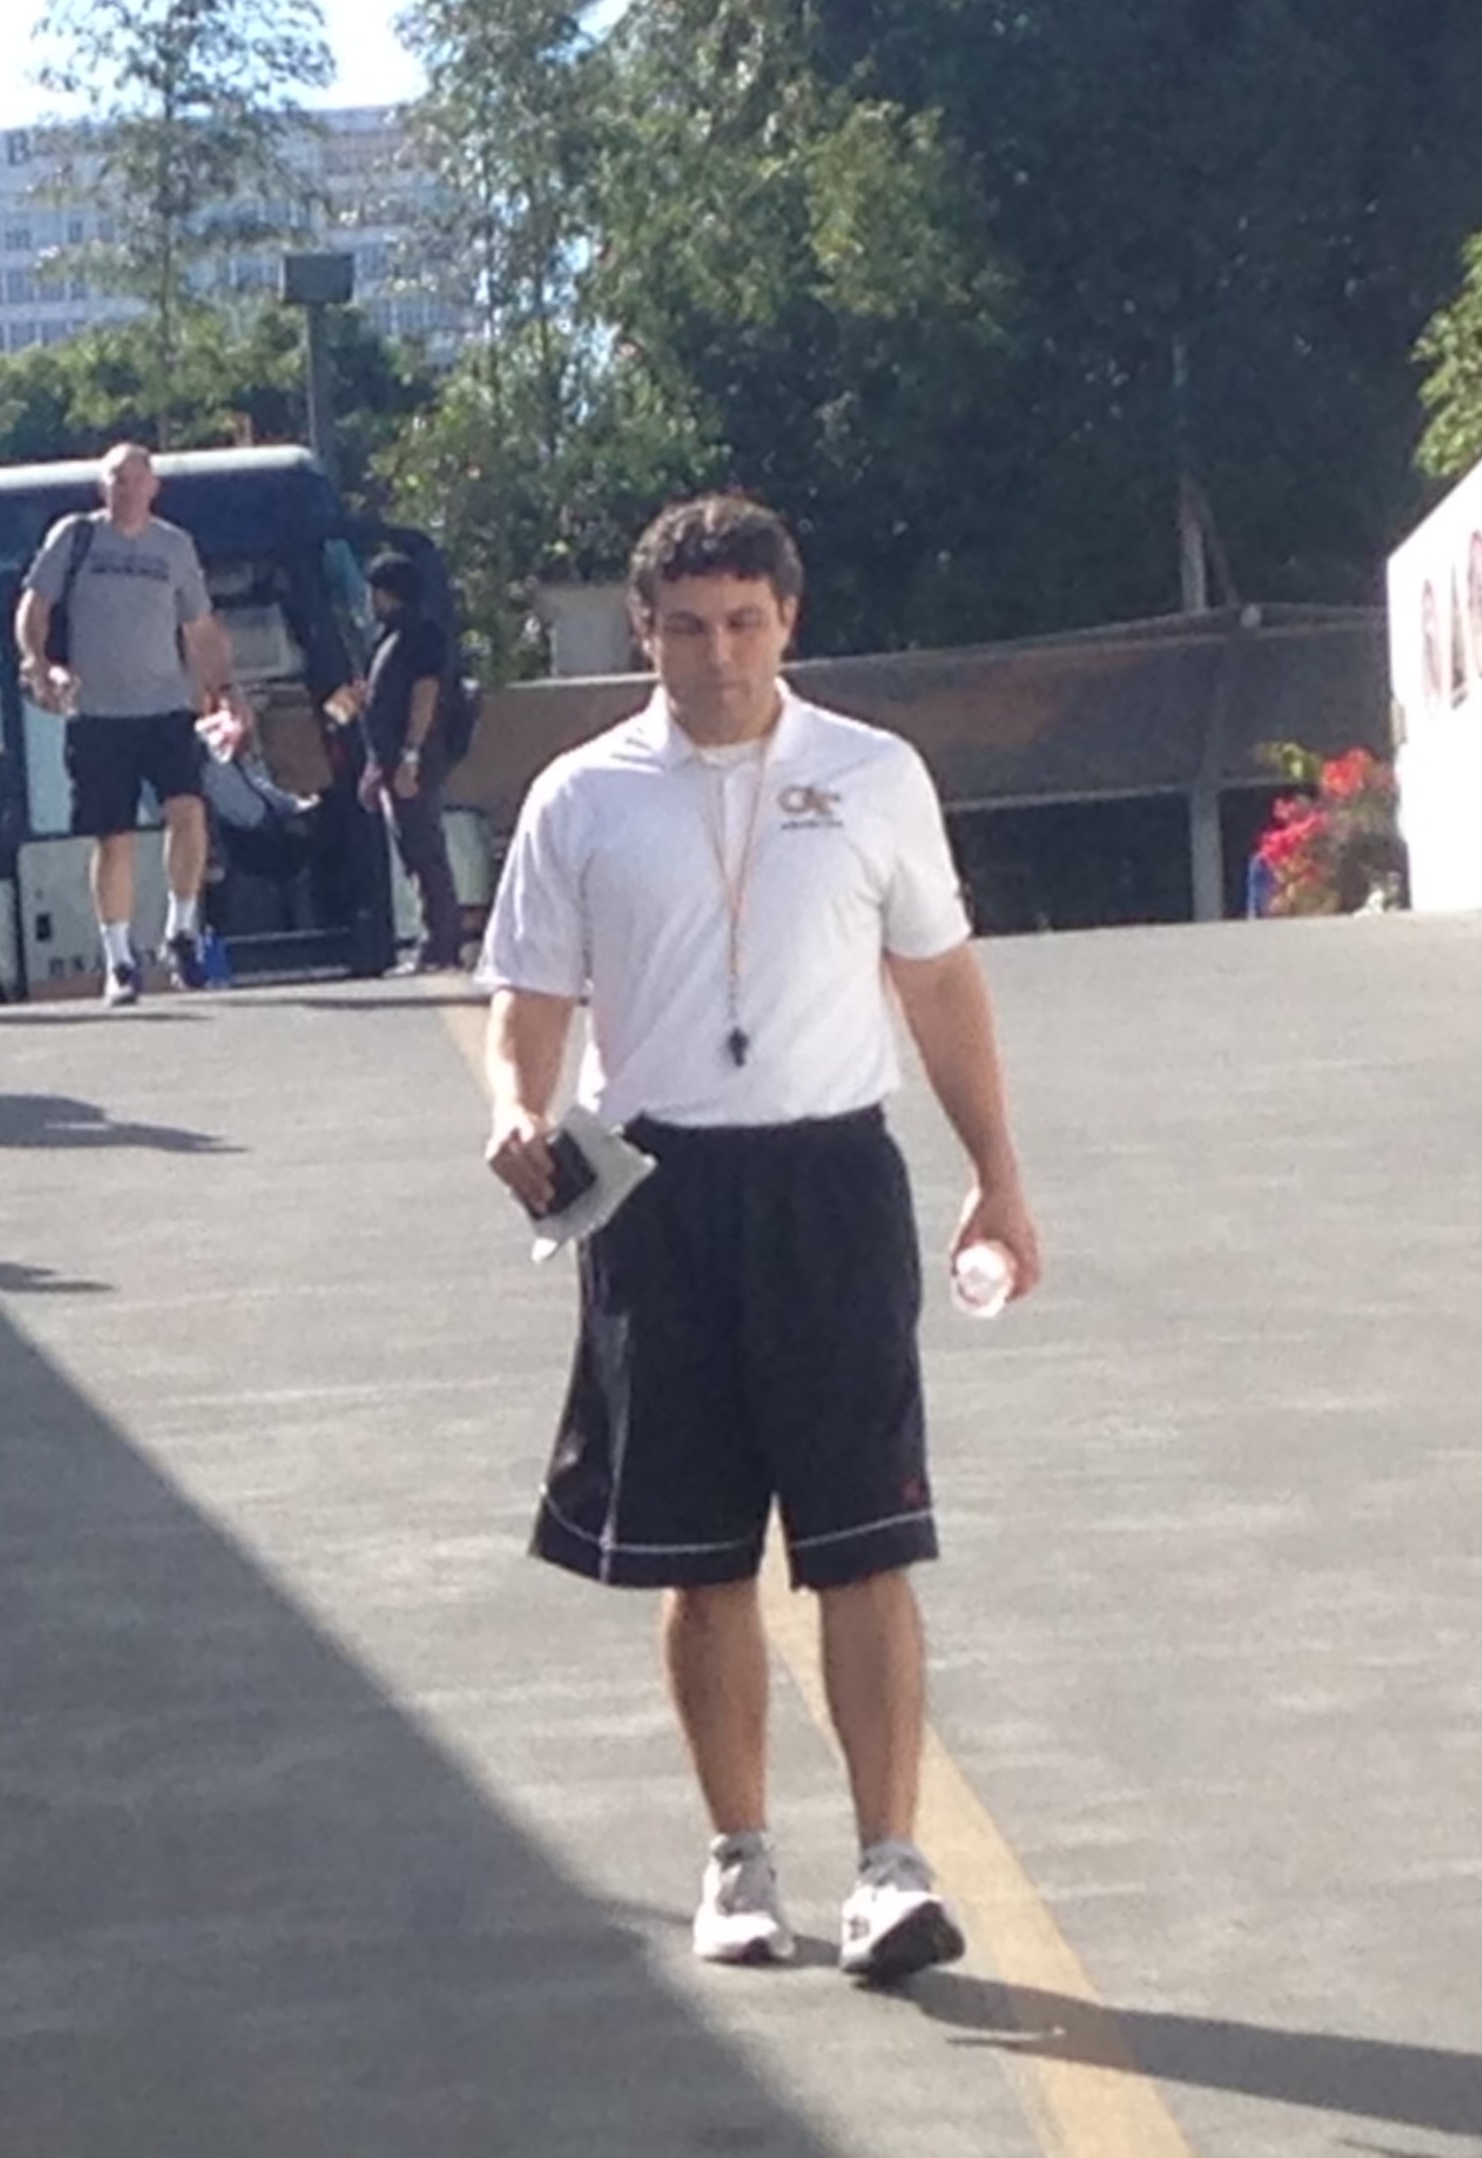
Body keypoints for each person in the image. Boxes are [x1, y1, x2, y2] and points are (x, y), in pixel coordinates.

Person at [477, 496, 1043, 1985]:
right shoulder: (581, 798)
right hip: (654, 1197)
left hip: (829, 1187)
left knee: (867, 1539)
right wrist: (509, 1108)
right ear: (643, 632)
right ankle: (739, 1861)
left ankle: (889, 1866)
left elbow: (938, 985)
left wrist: (998, 1172)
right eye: (684, 626)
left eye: (744, 623)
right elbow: (527, 999)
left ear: (788, 621)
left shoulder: (872, 776)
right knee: (697, 1552)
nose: (717, 655)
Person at [13, 444, 238, 1007]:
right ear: (101, 485)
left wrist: (225, 690)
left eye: (137, 479)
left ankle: (181, 930)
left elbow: (201, 627)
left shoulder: (174, 545)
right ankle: (119, 960)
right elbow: (33, 609)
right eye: (116, 479)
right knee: (112, 839)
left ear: (153, 487)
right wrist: (38, 662)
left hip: (166, 706)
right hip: (98, 714)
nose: (126, 489)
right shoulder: (76, 536)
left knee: (187, 812)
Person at [327, 554, 469, 971]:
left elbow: (423, 696)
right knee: (412, 850)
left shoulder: (420, 635)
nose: (370, 600)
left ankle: (441, 944)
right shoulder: (386, 638)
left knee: (425, 850)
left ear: (390, 593)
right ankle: (435, 940)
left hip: (414, 759)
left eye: (375, 591)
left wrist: (410, 755)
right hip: (389, 761)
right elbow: (373, 696)